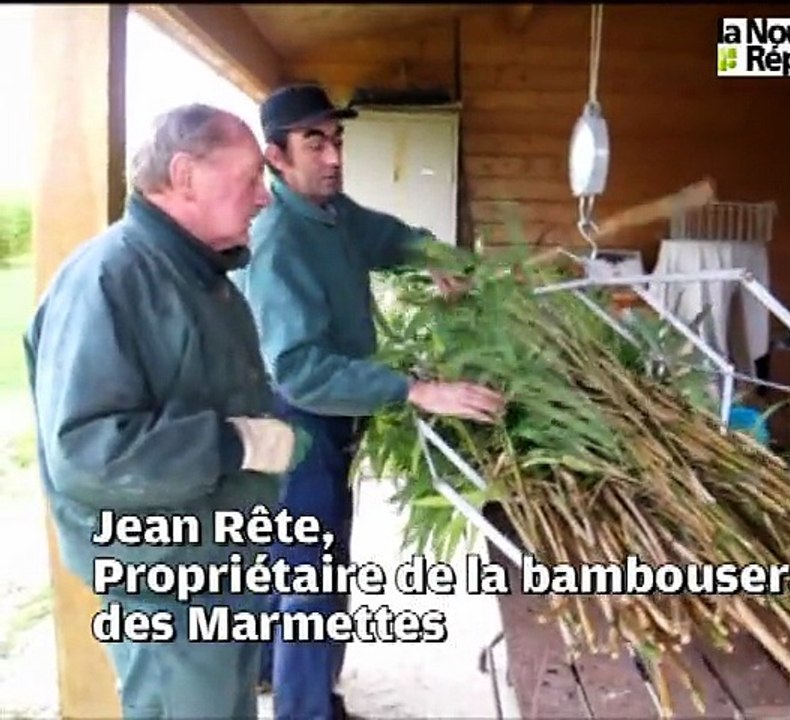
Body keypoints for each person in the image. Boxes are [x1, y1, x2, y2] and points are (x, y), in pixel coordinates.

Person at [24, 104, 310, 720]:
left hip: (218, 559)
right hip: (163, 580)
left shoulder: (203, 276)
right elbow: (86, 453)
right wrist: (235, 445)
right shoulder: (110, 279)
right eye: (251, 179)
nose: (264, 198)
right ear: (185, 176)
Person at [232, 83, 505, 720]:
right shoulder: (278, 241)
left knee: (298, 561)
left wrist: (437, 257)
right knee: (310, 574)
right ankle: (306, 711)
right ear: (276, 157)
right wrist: (416, 389)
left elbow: (386, 237)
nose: (332, 157)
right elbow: (298, 370)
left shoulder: (331, 213)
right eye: (313, 142)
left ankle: (272, 673)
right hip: (295, 420)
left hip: (327, 416)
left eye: (336, 139)